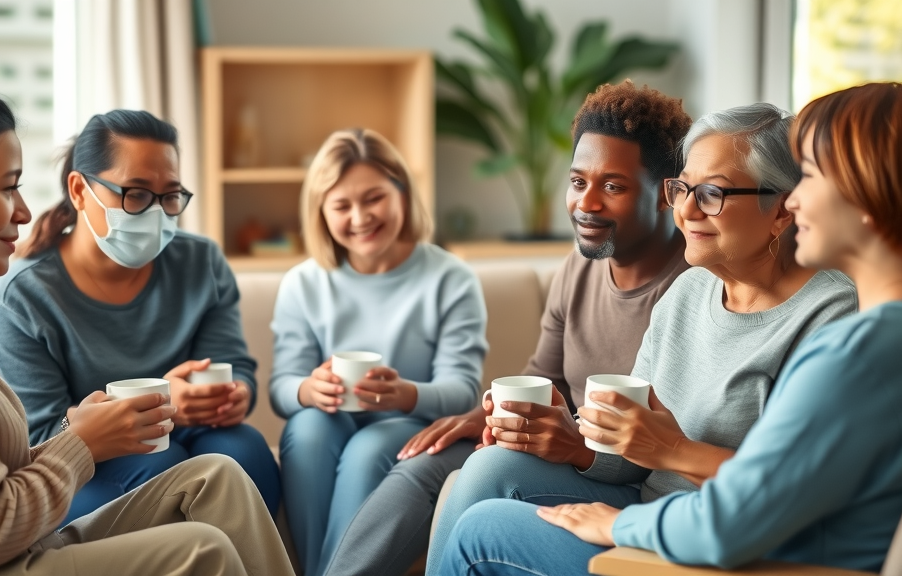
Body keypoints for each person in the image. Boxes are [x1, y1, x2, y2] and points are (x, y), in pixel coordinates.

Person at [439, 81, 902, 576]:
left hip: (724, 547)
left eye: (711, 194)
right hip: (666, 514)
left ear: (777, 214)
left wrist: (625, 516)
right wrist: (580, 444)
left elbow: (754, 505)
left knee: (483, 531)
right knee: (490, 469)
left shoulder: (841, 330)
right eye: (682, 189)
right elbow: (641, 455)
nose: (683, 210)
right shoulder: (688, 292)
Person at [0, 74, 294, 576]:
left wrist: (85, 431)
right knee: (202, 546)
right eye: (8, 187)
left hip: (7, 543)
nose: (26, 210)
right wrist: (81, 440)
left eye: (170, 196)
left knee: (220, 473)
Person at [325, 81, 693, 576]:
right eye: (578, 181)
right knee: (428, 457)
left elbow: (671, 441)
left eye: (613, 186)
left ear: (668, 193)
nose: (586, 204)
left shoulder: (694, 290)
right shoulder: (577, 269)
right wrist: (492, 416)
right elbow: (546, 375)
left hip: (623, 474)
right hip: (567, 446)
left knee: (487, 468)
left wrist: (573, 443)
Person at [0, 110, 280, 524]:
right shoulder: (22, 296)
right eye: (135, 193)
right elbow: (35, 438)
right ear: (80, 190)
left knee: (243, 448)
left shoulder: (200, 262)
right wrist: (164, 405)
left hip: (189, 433)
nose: (156, 213)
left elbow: (232, 365)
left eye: (170, 196)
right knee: (157, 463)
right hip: (80, 462)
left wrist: (234, 394)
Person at [269, 128, 488, 576]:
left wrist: (404, 395)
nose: (360, 217)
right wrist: (310, 390)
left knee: (369, 449)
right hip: (330, 422)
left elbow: (463, 388)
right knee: (306, 429)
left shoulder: (450, 278)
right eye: (341, 205)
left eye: (374, 198)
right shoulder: (303, 283)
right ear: (321, 213)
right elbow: (282, 387)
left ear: (402, 193)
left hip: (410, 424)